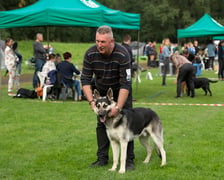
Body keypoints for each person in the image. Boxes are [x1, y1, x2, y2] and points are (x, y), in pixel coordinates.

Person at [80, 25, 134, 170]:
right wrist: (92, 101)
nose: (99, 45)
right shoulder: (90, 54)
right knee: (102, 123)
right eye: (97, 41)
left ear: (112, 41)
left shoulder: (123, 54)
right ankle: (102, 159)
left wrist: (118, 107)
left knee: (126, 124)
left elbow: (126, 83)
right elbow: (85, 79)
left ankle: (128, 161)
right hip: (102, 91)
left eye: (103, 42)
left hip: (121, 91)